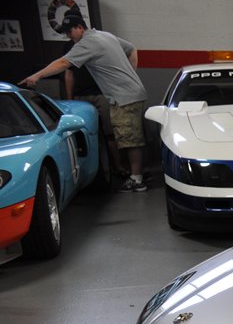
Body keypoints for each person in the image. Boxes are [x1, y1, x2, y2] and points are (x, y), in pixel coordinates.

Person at [19, 15, 149, 192]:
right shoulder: (105, 35)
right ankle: (139, 174)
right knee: (132, 136)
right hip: (132, 93)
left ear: (80, 27)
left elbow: (64, 63)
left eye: (69, 32)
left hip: (124, 97)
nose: (68, 37)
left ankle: (137, 180)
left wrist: (37, 76)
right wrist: (131, 73)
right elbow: (131, 48)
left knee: (130, 139)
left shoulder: (87, 43)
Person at [64, 62, 125, 179]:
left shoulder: (101, 44)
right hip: (80, 94)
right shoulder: (71, 47)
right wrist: (70, 99)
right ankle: (87, 170)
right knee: (83, 134)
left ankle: (118, 167)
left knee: (110, 132)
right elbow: (69, 73)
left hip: (103, 93)